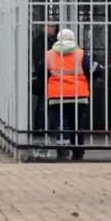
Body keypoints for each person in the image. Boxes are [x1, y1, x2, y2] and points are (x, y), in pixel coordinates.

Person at [45, 29, 95, 160]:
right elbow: (91, 69)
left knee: (61, 125)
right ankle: (78, 152)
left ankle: (63, 152)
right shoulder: (81, 53)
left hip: (57, 95)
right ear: (73, 39)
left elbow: (41, 72)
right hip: (79, 94)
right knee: (77, 125)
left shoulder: (49, 54)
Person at [31, 24, 59, 132]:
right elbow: (40, 61)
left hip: (48, 75)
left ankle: (41, 127)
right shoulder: (41, 41)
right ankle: (40, 127)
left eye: (54, 26)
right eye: (51, 26)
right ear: (44, 27)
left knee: (45, 102)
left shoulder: (47, 40)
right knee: (44, 103)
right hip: (46, 76)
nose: (54, 28)